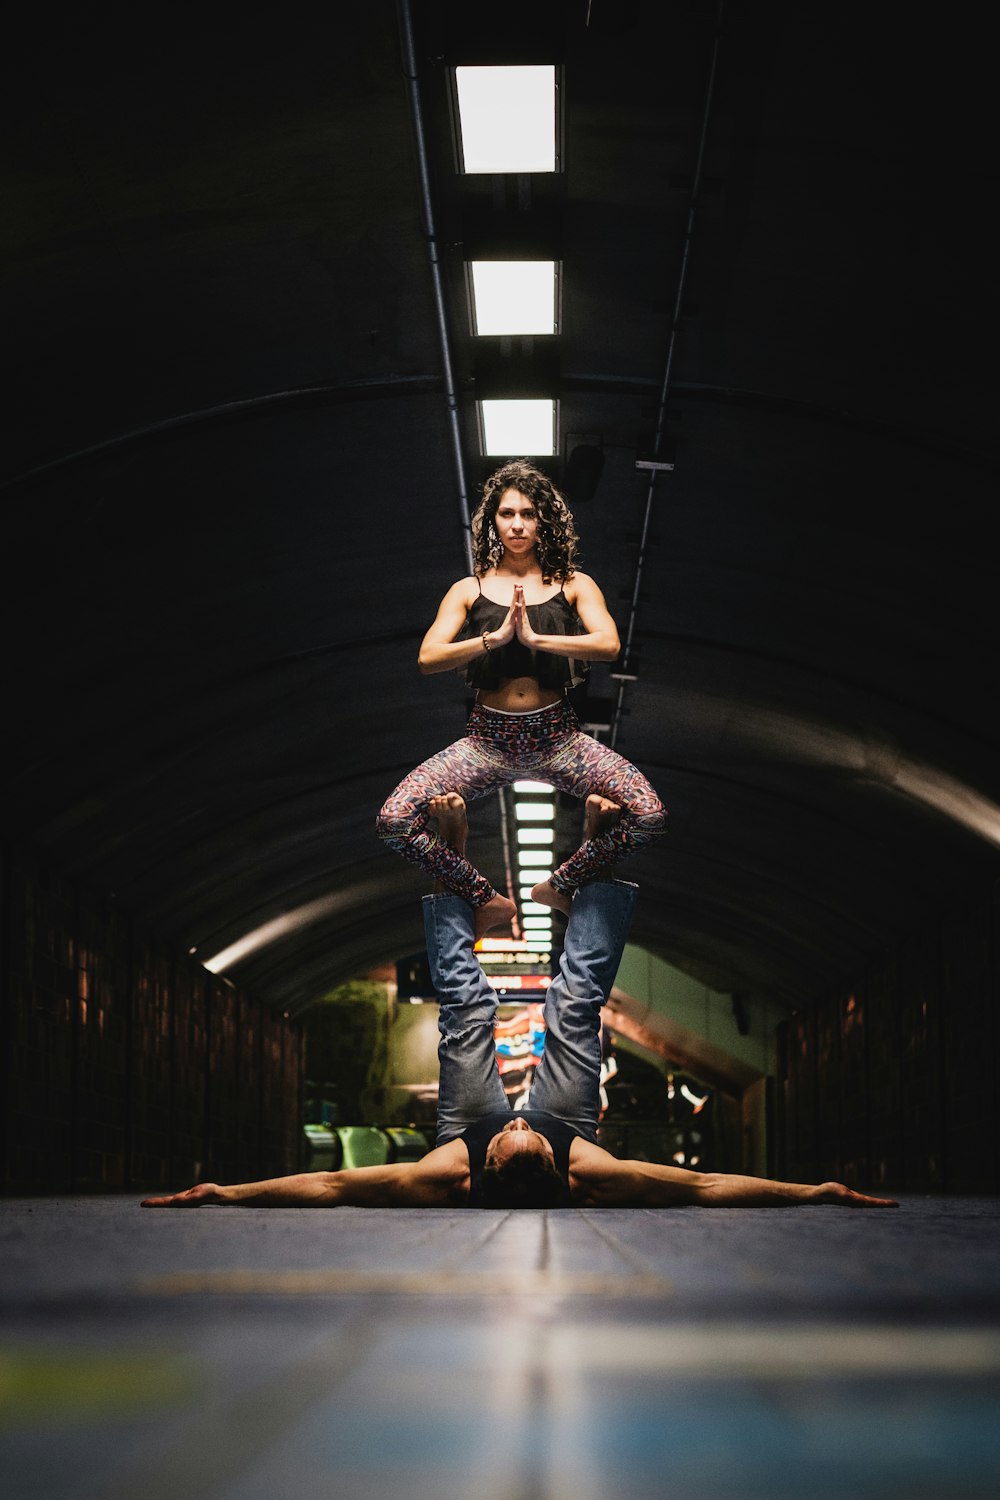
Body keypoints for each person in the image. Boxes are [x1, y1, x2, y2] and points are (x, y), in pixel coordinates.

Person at [142, 797, 897, 1212]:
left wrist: (226, 1194)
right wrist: (814, 1191)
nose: (517, 1126)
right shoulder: (586, 1166)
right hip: (577, 1116)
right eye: (523, 1137)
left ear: (491, 1162)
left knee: (465, 1008)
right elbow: (703, 1187)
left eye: (515, 1140)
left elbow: (333, 1186)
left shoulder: (449, 1169)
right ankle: (596, 857)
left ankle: (453, 856)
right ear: (555, 1166)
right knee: (576, 1006)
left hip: (454, 1123)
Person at [375, 458, 666, 940]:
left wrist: (535, 640)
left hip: (560, 740)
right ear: (493, 521)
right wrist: (495, 637)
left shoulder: (573, 583)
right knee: (393, 820)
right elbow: (428, 657)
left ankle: (561, 885)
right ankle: (484, 899)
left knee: (650, 815)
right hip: (486, 742)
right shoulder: (468, 589)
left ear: (544, 520)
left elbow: (609, 644)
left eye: (528, 514)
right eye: (507, 513)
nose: (516, 524)